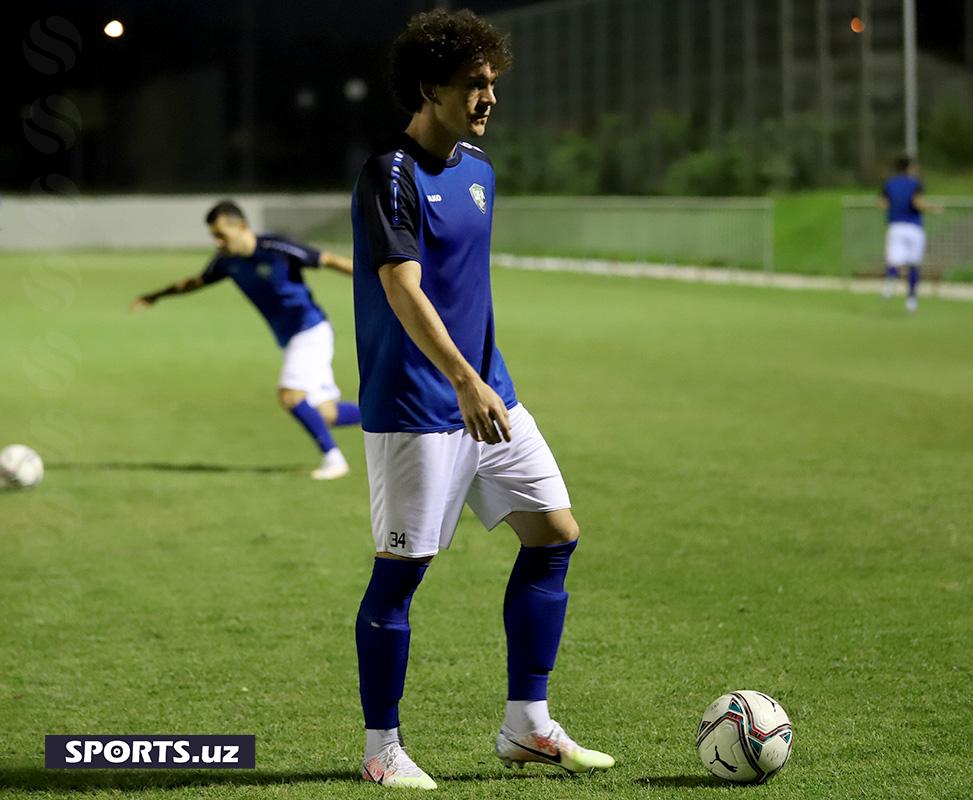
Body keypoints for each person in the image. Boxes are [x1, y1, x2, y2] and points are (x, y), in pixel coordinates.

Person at [349, 9, 614, 790]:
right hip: (417, 406)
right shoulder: (389, 174)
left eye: (493, 83)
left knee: (554, 534)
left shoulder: (478, 169)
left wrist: (483, 379)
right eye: (474, 84)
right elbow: (402, 286)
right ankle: (380, 749)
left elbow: (470, 292)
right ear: (429, 88)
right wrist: (460, 379)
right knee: (402, 573)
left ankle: (527, 727)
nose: (489, 97)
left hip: (491, 398)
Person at [131, 201, 360, 479]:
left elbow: (329, 260)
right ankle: (391, 412)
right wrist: (156, 295)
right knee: (325, 415)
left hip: (310, 330)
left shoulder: (277, 247)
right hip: (289, 338)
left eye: (221, 235)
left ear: (240, 226)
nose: (217, 242)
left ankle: (334, 460)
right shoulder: (226, 262)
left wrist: (376, 280)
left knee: (289, 395)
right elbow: (194, 282)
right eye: (213, 236)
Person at [879, 156, 939, 313]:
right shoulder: (915, 183)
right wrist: (933, 208)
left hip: (895, 227)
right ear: (910, 168)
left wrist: (895, 205)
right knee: (913, 265)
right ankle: (911, 300)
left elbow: (882, 204)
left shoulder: (890, 183)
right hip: (913, 227)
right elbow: (917, 203)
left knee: (894, 262)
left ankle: (890, 282)